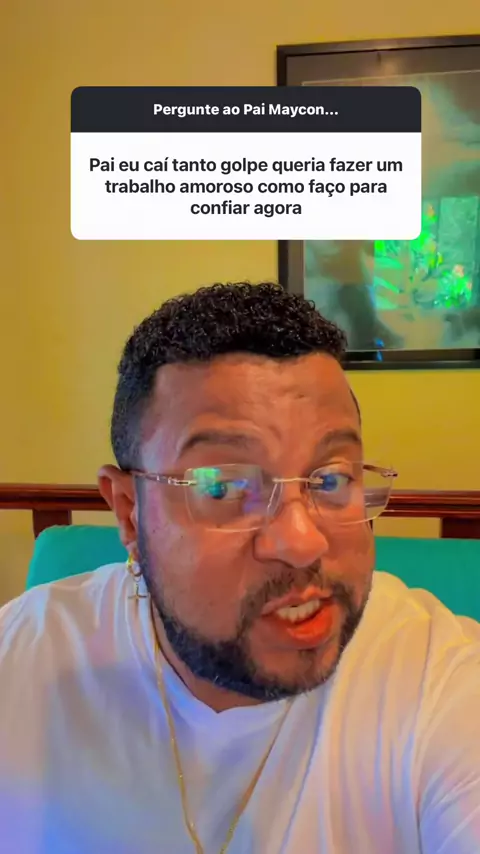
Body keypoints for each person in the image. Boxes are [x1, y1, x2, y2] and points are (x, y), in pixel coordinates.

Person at [1, 282, 479, 854]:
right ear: (129, 511)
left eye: (331, 479)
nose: (302, 542)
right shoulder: (23, 659)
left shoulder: (440, 680)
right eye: (223, 487)